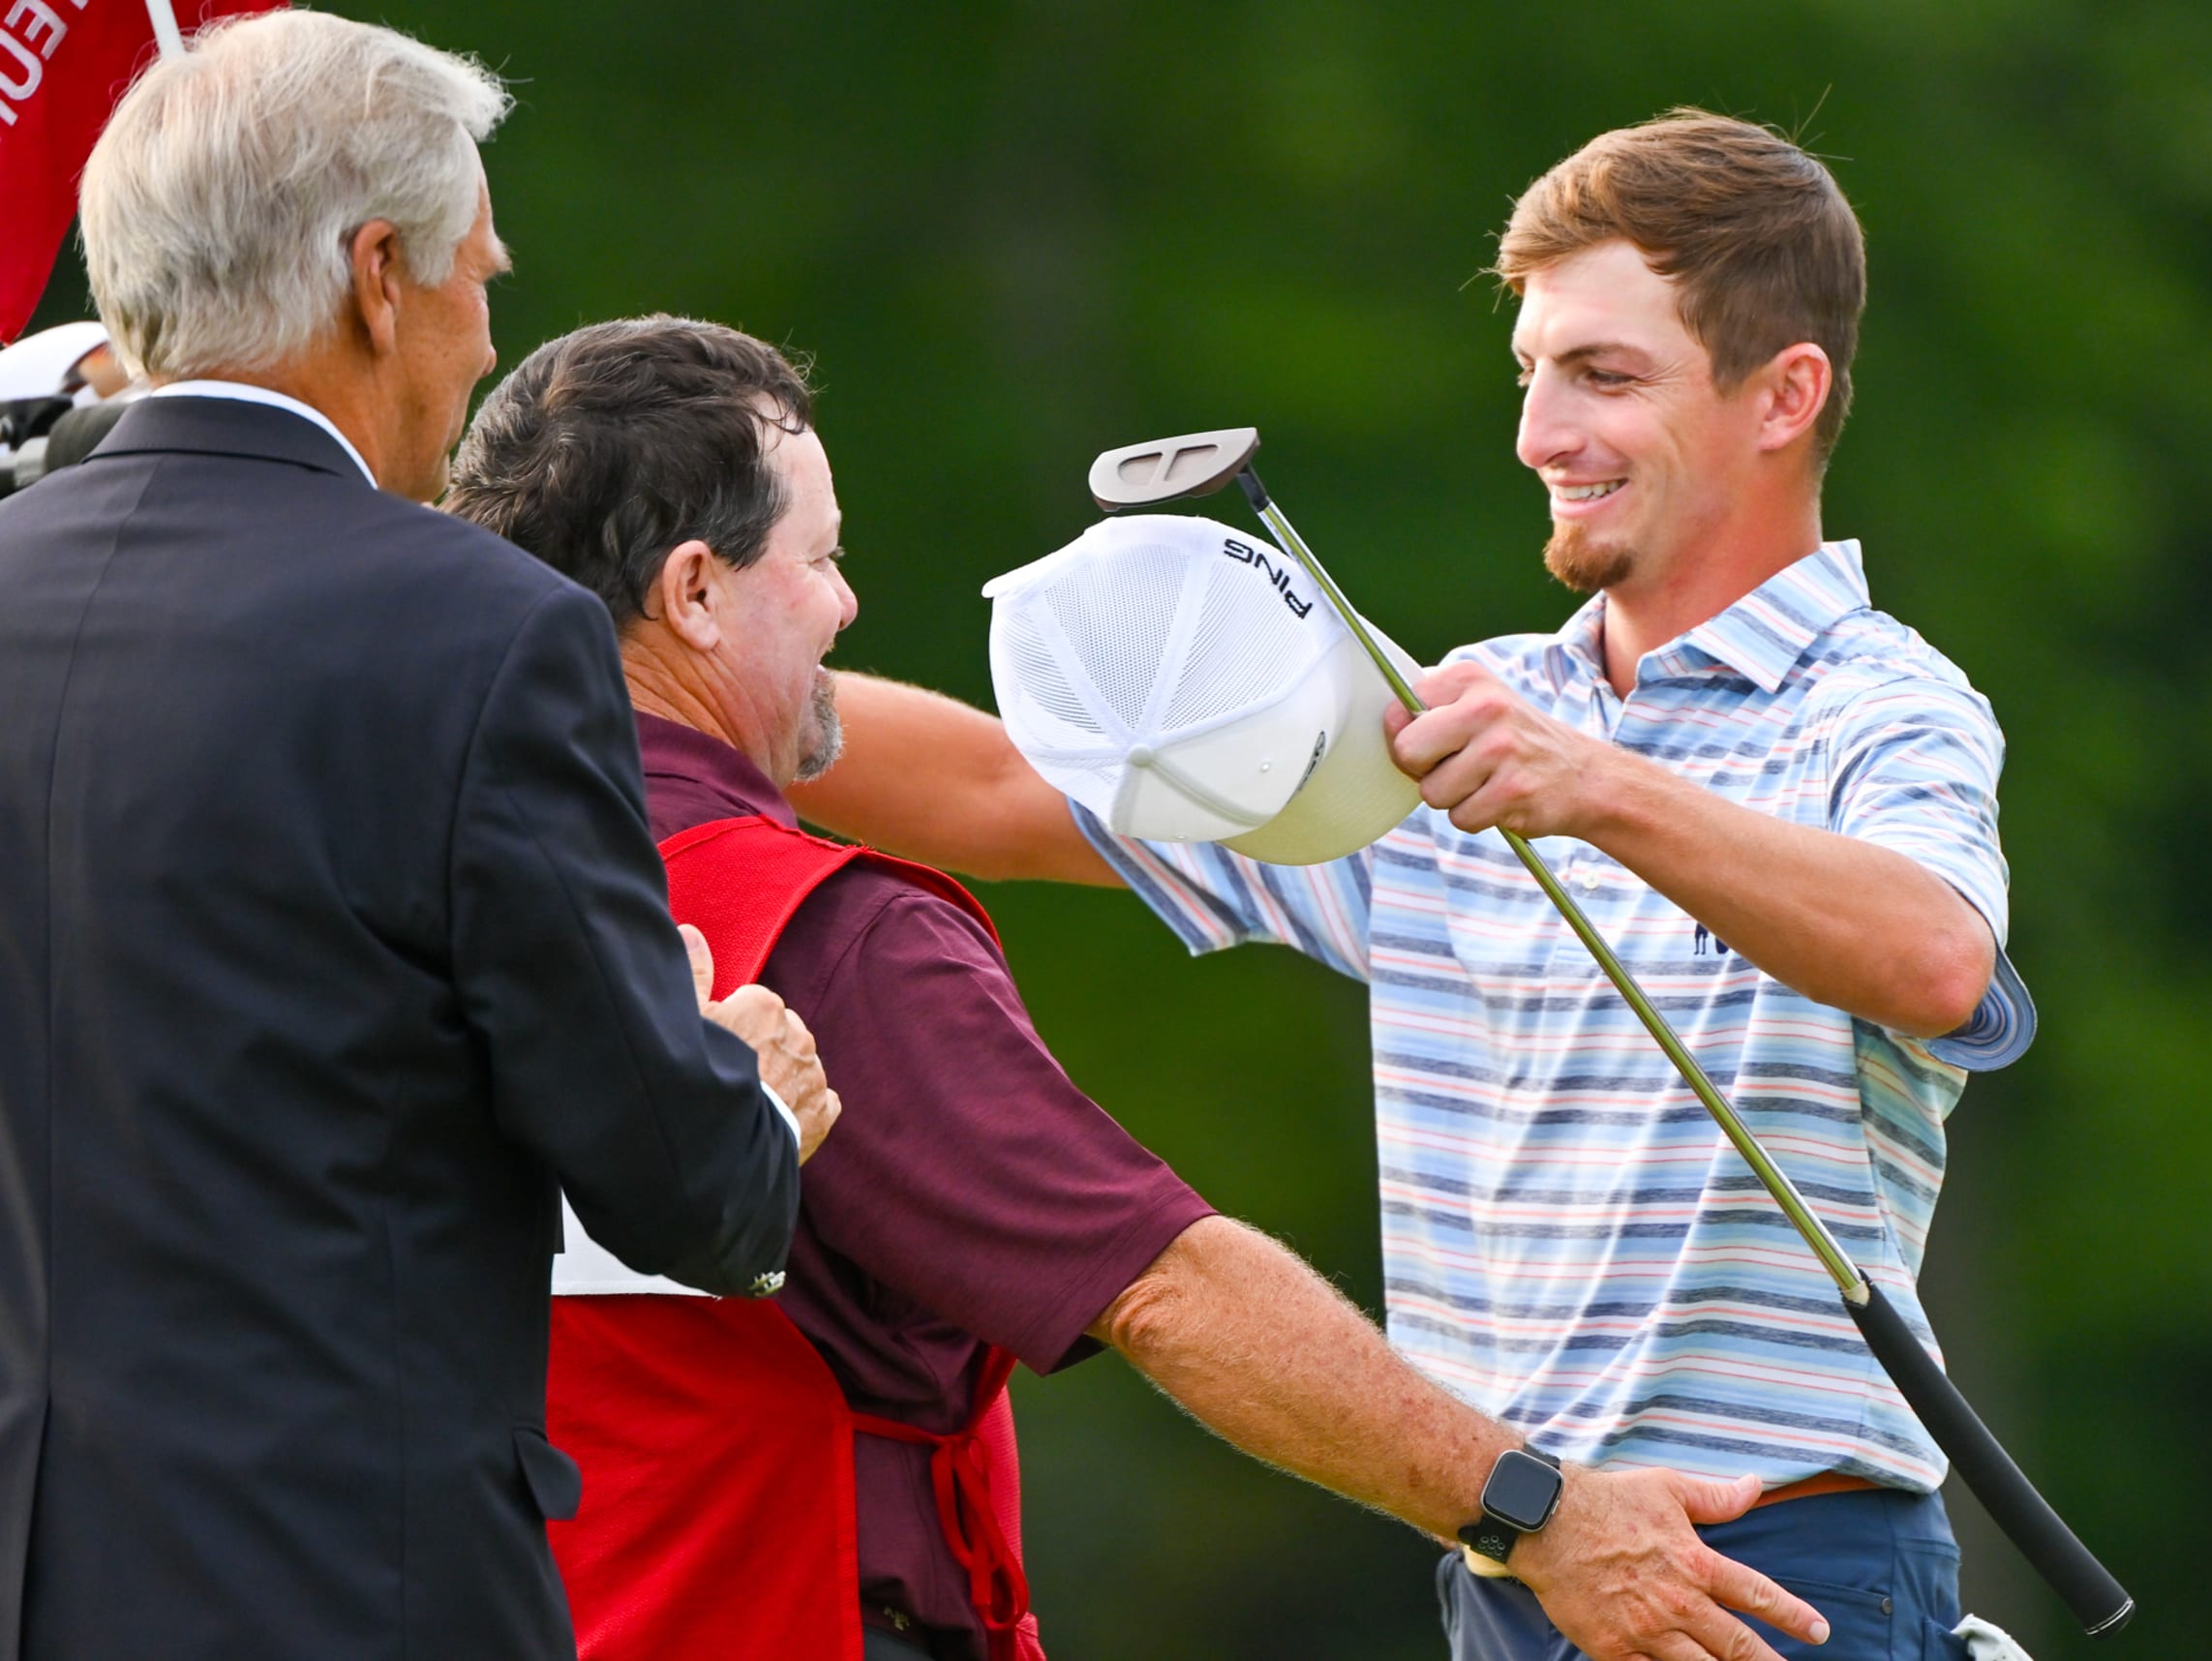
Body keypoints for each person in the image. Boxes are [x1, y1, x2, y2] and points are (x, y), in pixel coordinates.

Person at [788, 111, 2031, 1660]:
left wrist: (1592, 787)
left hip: (1775, 1580)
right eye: (1533, 374)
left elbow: (1933, 959)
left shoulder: (1879, 702)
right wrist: (636, 665)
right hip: (1522, 1566)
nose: (1541, 432)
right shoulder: (1464, 716)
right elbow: (996, 788)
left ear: (1784, 394)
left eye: (1606, 376)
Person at [441, 314, 1832, 1661]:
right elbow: (1165, 1291)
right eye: (821, 560)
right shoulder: (827, 939)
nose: (848, 604)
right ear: (694, 592)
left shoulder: (398, 897)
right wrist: (1539, 1511)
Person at [0, 17, 833, 1660]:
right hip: (340, 1591)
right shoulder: (482, 632)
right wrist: (736, 1079)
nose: (476, 341)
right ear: (379, 274)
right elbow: (677, 1189)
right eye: (480, 278)